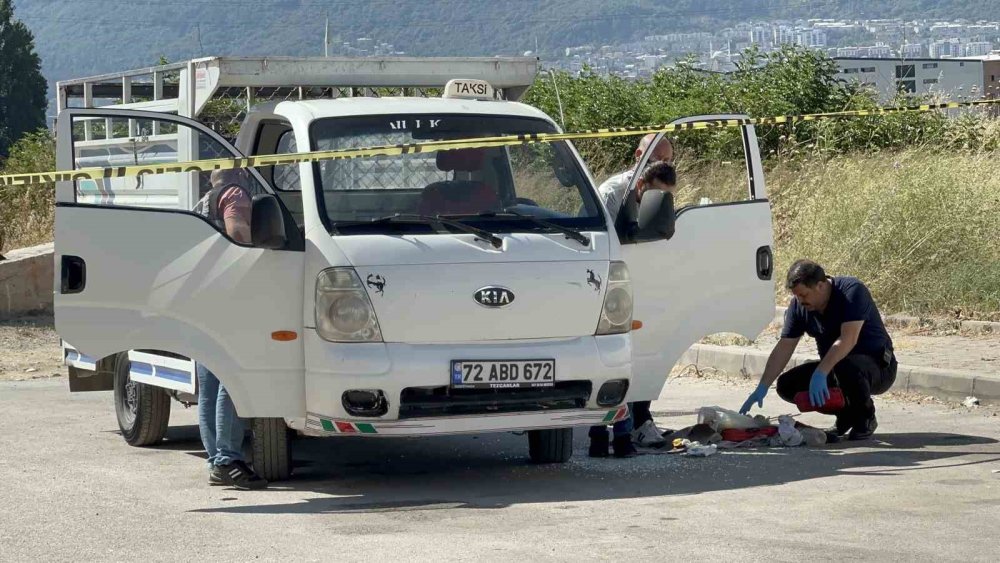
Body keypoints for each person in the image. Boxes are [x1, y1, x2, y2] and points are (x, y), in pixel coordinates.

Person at [739, 259, 897, 440]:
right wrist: (763, 386)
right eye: (797, 296)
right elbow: (785, 346)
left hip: (877, 367)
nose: (800, 300)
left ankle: (865, 416)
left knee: (845, 366)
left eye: (804, 295)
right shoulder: (799, 307)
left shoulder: (851, 291)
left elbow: (848, 339)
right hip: (834, 368)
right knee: (787, 385)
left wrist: (820, 372)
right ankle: (846, 415)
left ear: (820, 286)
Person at [589, 157, 679, 457]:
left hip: (635, 284)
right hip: (607, 285)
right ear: (642, 184)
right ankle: (604, 435)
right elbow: (605, 243)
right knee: (612, 362)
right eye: (657, 195)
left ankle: (618, 435)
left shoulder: (647, 195)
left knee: (629, 361)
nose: (661, 201)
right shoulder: (613, 194)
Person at [194, 168, 267, 489]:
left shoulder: (203, 203)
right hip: (229, 295)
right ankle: (228, 459)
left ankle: (217, 461)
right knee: (232, 376)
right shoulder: (236, 195)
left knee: (209, 381)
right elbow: (238, 236)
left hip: (202, 296)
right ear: (240, 171)